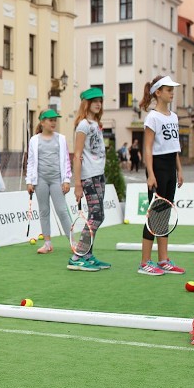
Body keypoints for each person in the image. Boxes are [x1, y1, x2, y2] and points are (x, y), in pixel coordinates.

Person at [137, 76, 186, 276]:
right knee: (154, 216)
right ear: (158, 92)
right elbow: (147, 148)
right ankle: (144, 262)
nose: (172, 93)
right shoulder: (153, 117)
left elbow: (174, 148)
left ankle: (163, 260)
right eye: (168, 89)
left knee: (165, 215)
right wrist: (150, 174)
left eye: (172, 89)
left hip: (170, 168)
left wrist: (180, 170)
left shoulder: (173, 117)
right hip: (156, 167)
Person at [69, 87, 109, 272]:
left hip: (99, 174)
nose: (98, 104)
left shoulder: (96, 124)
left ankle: (88, 255)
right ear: (87, 103)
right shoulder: (83, 125)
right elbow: (77, 155)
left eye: (100, 100)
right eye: (94, 101)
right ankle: (78, 256)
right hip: (88, 176)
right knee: (97, 215)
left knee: (97, 215)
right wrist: (77, 184)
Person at [25, 109, 72, 254]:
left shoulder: (61, 138)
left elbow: (66, 160)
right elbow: (31, 162)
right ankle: (47, 244)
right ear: (42, 122)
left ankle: (73, 242)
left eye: (55, 120)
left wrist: (66, 180)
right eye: (50, 120)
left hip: (57, 180)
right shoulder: (34, 140)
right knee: (44, 211)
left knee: (62, 210)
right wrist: (29, 181)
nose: (54, 123)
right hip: (40, 181)